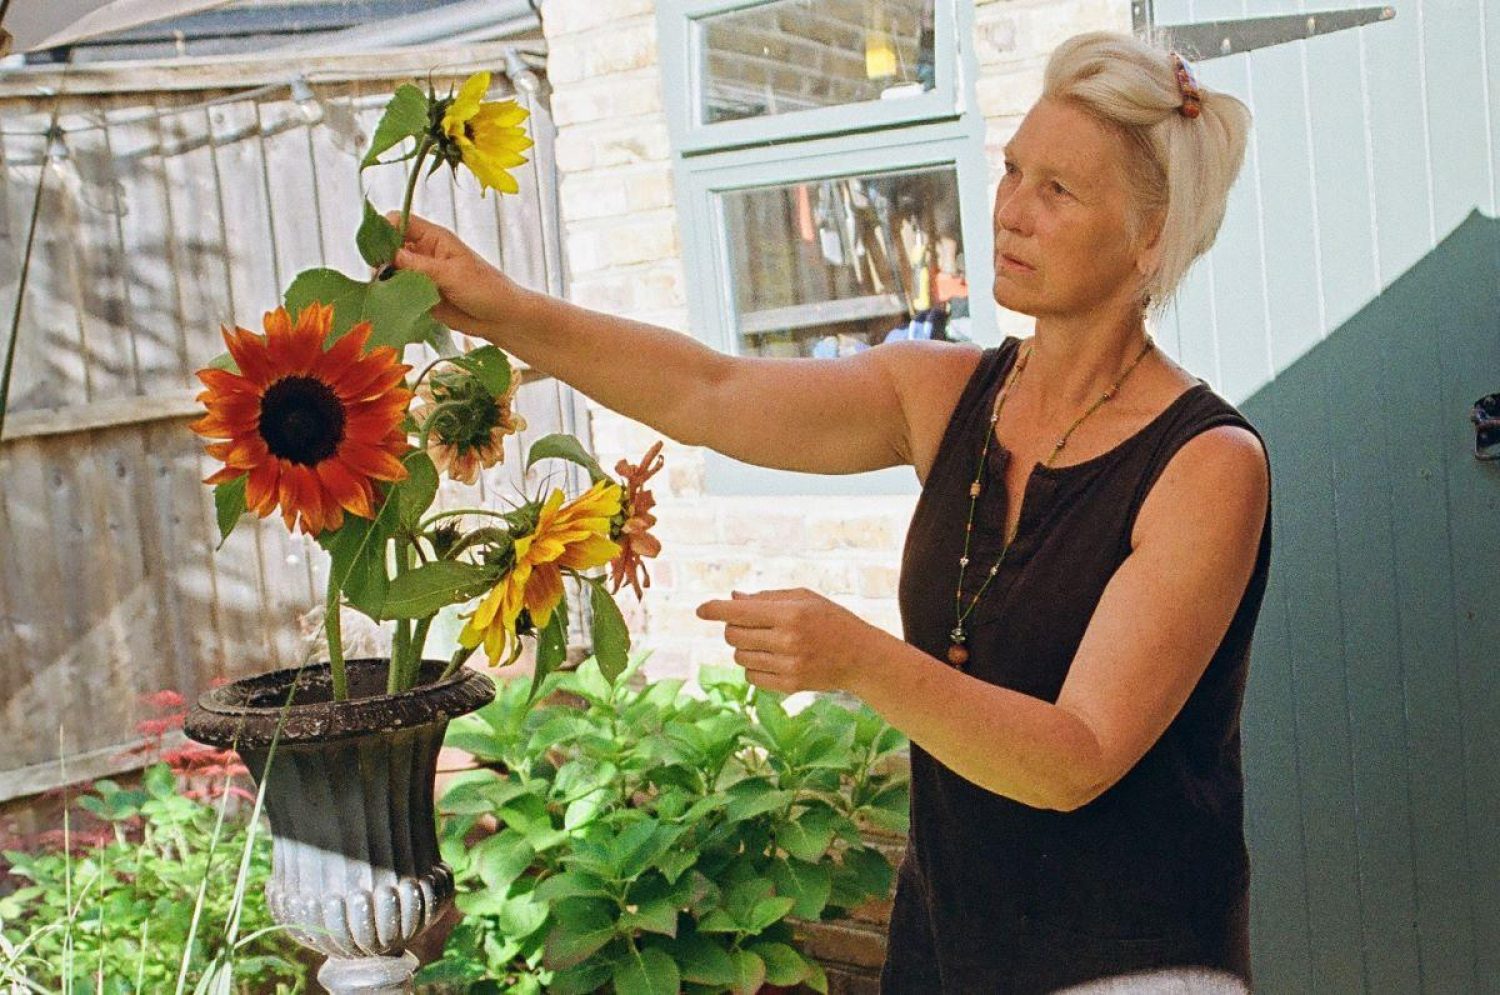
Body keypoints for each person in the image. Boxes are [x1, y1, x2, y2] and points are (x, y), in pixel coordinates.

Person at [391, 28, 1268, 993]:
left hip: (1135, 963)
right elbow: (709, 391)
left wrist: (858, 658)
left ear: (1152, 237)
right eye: (1013, 170)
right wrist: (504, 308)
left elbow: (1077, 757)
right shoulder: (942, 394)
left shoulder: (1208, 465)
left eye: (1057, 190)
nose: (1011, 211)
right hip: (950, 951)